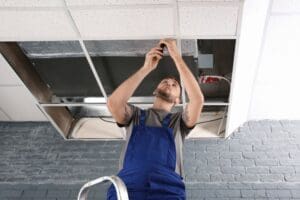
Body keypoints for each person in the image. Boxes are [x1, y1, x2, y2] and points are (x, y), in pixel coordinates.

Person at [106, 38, 204, 200]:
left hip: (168, 190)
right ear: (155, 91)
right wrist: (146, 68)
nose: (169, 83)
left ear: (178, 100)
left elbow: (197, 100)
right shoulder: (135, 116)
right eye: (165, 81)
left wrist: (177, 57)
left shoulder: (179, 123)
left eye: (175, 85)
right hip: (128, 187)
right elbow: (113, 103)